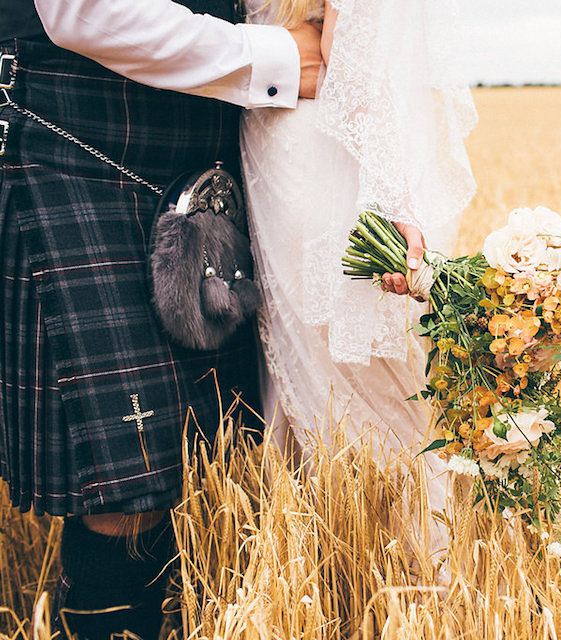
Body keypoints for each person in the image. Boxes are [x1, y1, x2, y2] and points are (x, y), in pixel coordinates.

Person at [0, 2, 323, 637]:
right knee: (131, 481)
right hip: (73, 140)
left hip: (199, 153)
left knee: (206, 451)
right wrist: (277, 56)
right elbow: (80, 11)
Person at [240, 0, 476, 574]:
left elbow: (356, 57)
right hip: (301, 140)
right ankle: (396, 574)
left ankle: (359, 575)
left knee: (338, 377)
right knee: (345, 380)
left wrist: (392, 202)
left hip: (305, 147)